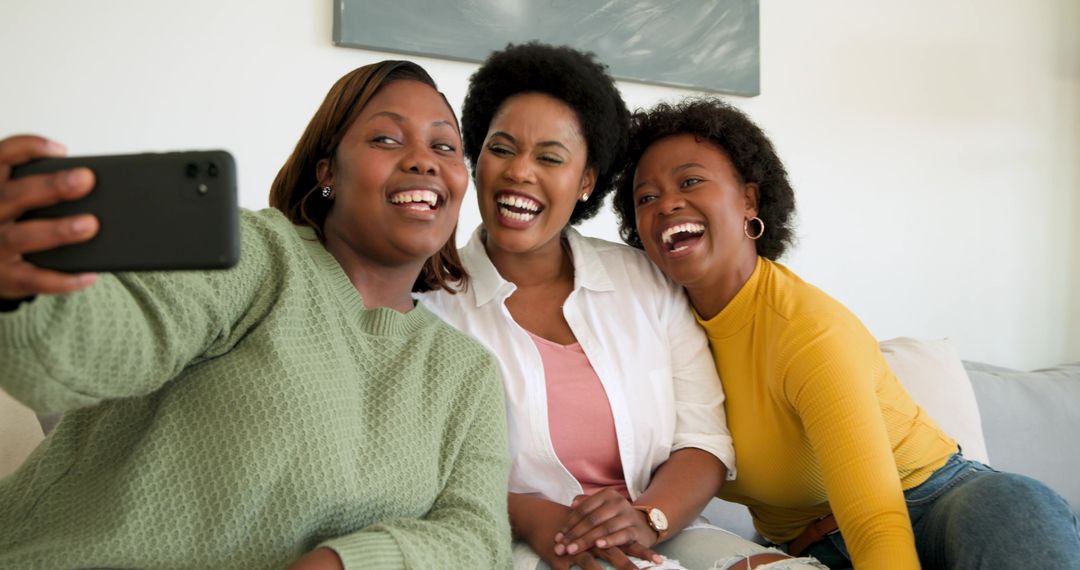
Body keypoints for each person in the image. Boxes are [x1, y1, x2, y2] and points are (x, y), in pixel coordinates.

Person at [0, 60, 511, 569]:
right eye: (385, 139)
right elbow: (93, 345)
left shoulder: (466, 373)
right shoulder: (254, 255)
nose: (423, 161)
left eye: (444, 147)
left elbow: (477, 537)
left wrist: (345, 563)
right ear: (328, 173)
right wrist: (20, 290)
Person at [612, 97, 1080, 569]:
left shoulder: (805, 328)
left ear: (748, 201)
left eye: (690, 181)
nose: (666, 203)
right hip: (813, 551)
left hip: (933, 509)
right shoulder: (655, 334)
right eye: (646, 198)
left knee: (1016, 506)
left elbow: (877, 522)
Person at [418, 43, 822, 570]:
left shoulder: (646, 280)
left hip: (665, 530)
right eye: (502, 148)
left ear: (586, 181)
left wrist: (646, 517)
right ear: (477, 158)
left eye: (550, 157)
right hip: (515, 540)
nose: (520, 172)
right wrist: (535, 517)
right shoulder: (429, 303)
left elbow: (702, 441)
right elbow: (425, 470)